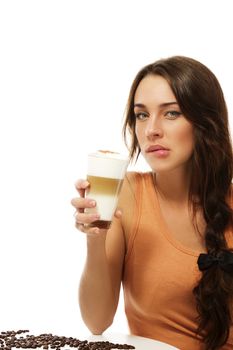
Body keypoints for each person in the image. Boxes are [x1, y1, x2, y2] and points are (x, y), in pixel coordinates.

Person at [71, 56, 233, 350]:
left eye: (171, 114)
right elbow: (97, 322)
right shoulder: (128, 194)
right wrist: (96, 238)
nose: (151, 130)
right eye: (141, 115)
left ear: (205, 123)